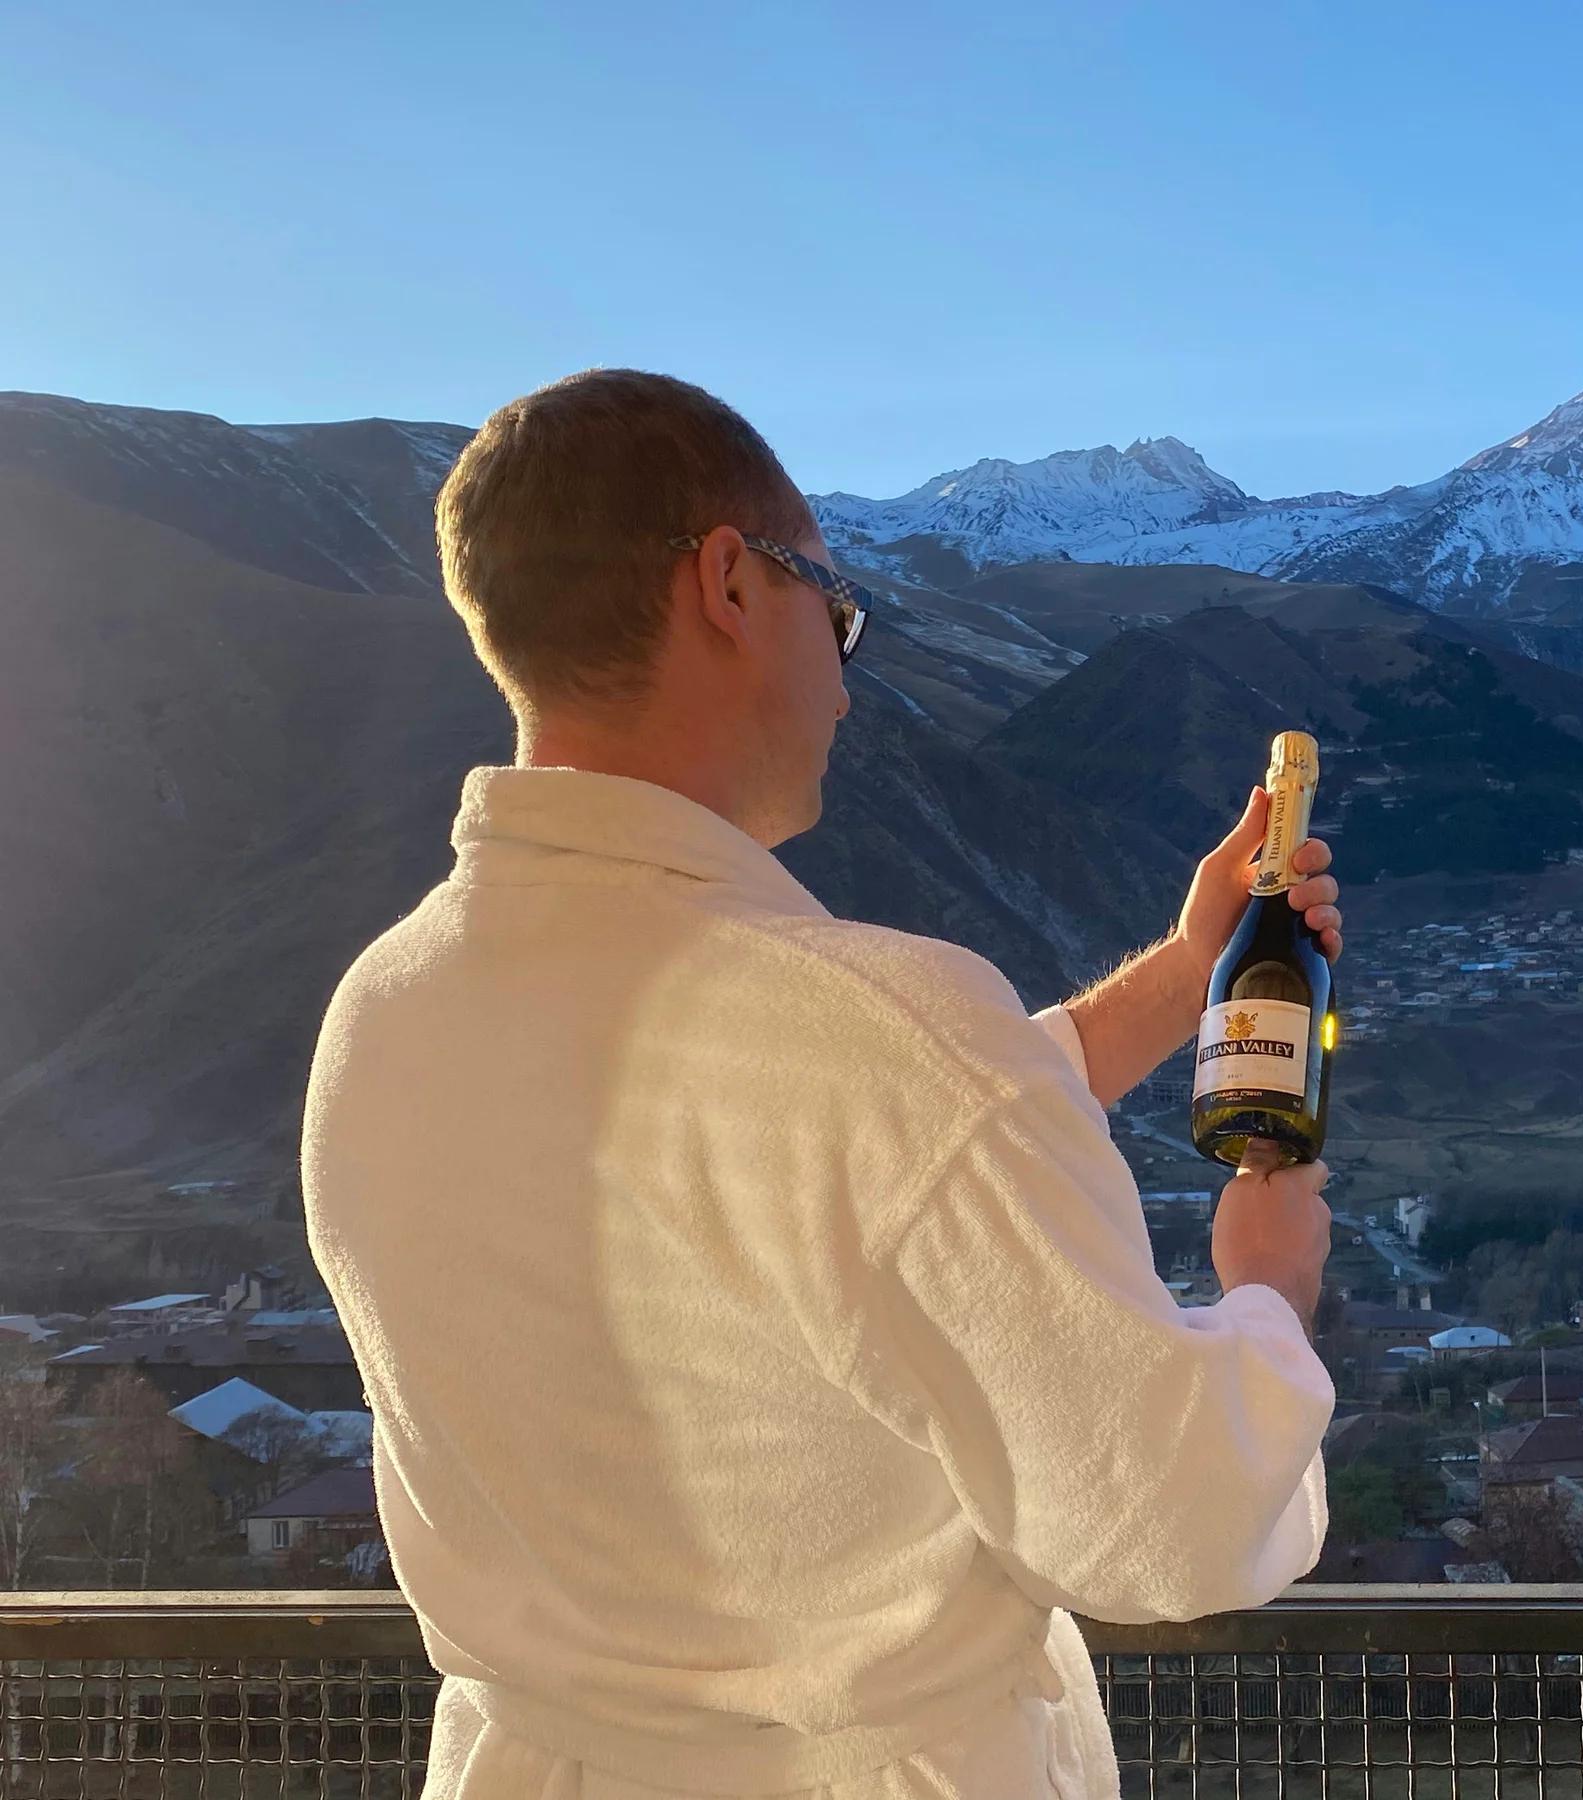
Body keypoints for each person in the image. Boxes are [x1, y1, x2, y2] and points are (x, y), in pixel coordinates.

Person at [300, 369, 1348, 1800]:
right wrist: (1267, 1297)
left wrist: (1186, 969)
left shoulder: (389, 1013)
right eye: (835, 612)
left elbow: (849, 1157)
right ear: (730, 584)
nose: (847, 682)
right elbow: (1164, 1521)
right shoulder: (878, 1033)